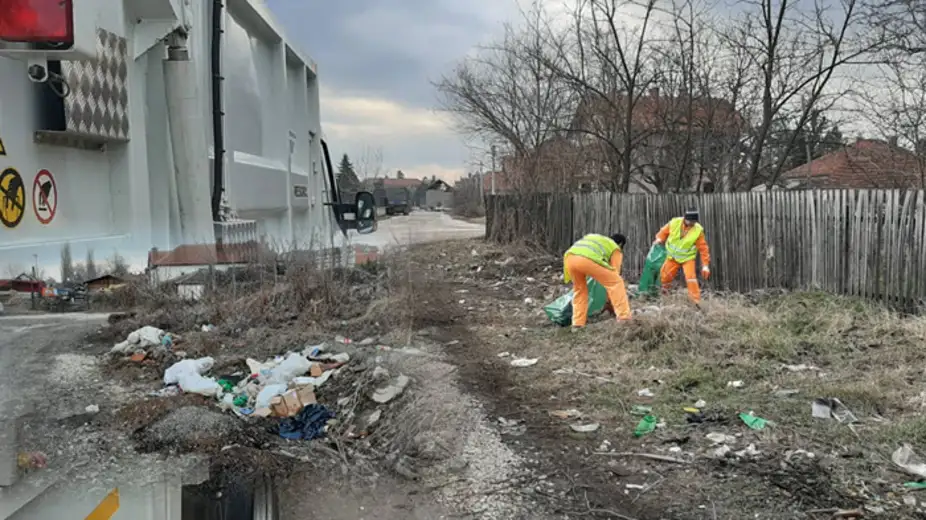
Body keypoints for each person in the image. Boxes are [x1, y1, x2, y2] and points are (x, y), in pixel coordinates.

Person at [563, 232, 632, 328]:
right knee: (616, 282)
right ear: (620, 244)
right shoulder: (615, 248)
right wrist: (610, 302)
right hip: (586, 260)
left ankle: (577, 324)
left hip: (570, 258)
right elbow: (614, 275)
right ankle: (624, 318)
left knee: (580, 290)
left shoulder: (597, 239)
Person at [653, 208, 710, 304]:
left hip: (687, 259)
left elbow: (703, 249)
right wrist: (659, 239)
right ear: (685, 218)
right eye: (691, 221)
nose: (692, 223)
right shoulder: (674, 223)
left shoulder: (698, 230)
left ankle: (695, 301)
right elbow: (663, 232)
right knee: (665, 277)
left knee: (691, 278)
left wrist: (705, 266)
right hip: (672, 257)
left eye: (694, 221)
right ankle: (664, 296)